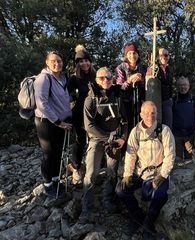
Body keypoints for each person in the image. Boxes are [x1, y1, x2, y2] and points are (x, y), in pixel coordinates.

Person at [116, 101, 175, 240]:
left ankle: (149, 223)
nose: (150, 116)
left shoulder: (164, 130)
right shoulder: (135, 131)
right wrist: (127, 175)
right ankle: (137, 215)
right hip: (140, 172)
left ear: (157, 113)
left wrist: (163, 174)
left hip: (158, 171)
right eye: (147, 113)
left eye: (153, 112)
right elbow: (130, 154)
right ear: (141, 114)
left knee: (160, 195)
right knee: (121, 190)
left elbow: (170, 155)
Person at [79, 67, 128, 223]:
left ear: (113, 79)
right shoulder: (90, 99)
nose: (105, 80)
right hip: (97, 140)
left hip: (115, 140)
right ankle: (87, 209)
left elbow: (125, 121)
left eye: (108, 77)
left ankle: (108, 201)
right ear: (96, 80)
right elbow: (89, 126)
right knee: (90, 175)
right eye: (102, 78)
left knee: (112, 172)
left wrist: (123, 138)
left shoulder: (117, 97)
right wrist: (109, 138)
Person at [34, 51, 73, 198]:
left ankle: (56, 180)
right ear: (47, 62)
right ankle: (47, 184)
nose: (57, 63)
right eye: (53, 61)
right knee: (48, 154)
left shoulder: (62, 77)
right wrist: (58, 122)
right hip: (47, 122)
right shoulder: (43, 78)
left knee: (58, 152)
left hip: (61, 122)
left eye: (59, 61)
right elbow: (41, 103)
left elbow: (64, 97)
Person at [68, 45, 96, 184]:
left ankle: (93, 165)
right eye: (81, 61)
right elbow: (64, 94)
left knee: (94, 140)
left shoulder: (95, 75)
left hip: (94, 113)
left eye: (86, 60)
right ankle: (76, 167)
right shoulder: (74, 78)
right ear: (77, 63)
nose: (84, 63)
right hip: (79, 113)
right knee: (80, 141)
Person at [115, 42, 146, 133]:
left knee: (140, 126)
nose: (132, 55)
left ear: (138, 54)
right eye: (129, 53)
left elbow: (146, 85)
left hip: (139, 102)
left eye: (134, 53)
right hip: (125, 102)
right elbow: (119, 87)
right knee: (127, 127)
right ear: (126, 55)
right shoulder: (120, 68)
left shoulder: (143, 68)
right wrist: (129, 80)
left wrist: (141, 80)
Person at [172, 76, 195, 163]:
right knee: (177, 161)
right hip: (176, 135)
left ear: (189, 86)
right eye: (180, 85)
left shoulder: (194, 100)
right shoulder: (173, 99)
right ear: (177, 86)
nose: (182, 87)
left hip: (190, 135)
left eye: (184, 85)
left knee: (189, 161)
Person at [146, 47, 174, 129]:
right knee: (156, 127)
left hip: (167, 101)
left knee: (168, 127)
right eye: (161, 55)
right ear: (157, 56)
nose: (164, 57)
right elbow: (148, 87)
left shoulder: (170, 69)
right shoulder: (152, 69)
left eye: (166, 55)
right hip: (156, 102)